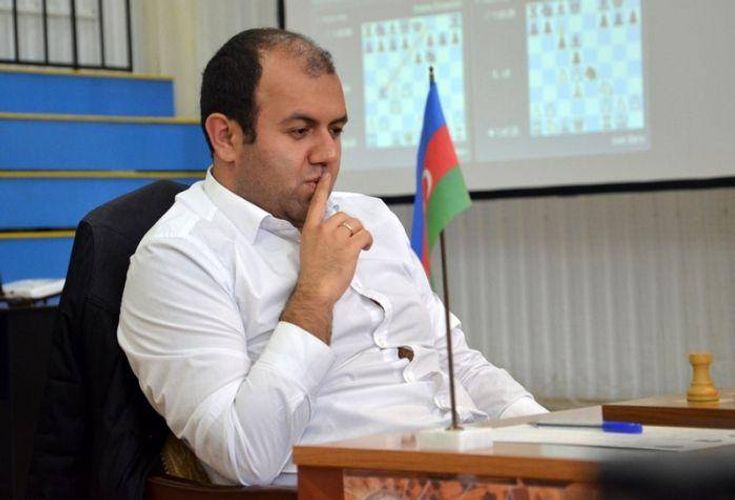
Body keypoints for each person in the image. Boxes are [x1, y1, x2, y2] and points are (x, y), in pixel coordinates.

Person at [117, 28, 546, 487]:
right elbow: (244, 457)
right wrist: (315, 296)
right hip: (362, 488)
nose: (328, 154)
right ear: (226, 137)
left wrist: (547, 434)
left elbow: (454, 359)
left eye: (336, 130)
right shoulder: (178, 258)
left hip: (472, 470)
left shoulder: (371, 216)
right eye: (300, 131)